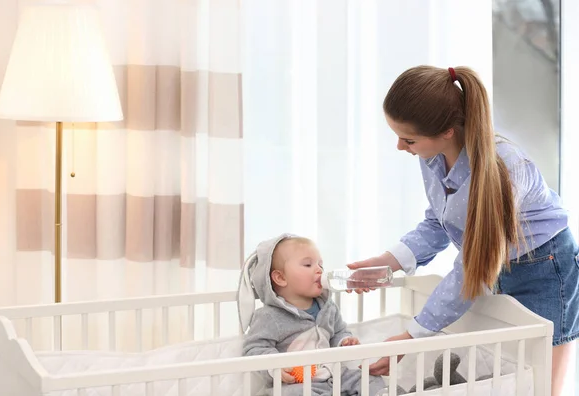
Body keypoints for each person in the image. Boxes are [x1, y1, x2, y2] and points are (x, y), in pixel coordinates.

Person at [347, 65, 579, 396]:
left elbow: (473, 266)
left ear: (447, 132)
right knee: (505, 373)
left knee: (539, 382)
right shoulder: (432, 157)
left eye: (408, 139)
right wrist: (389, 261)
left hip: (545, 265)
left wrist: (413, 336)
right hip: (498, 264)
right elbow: (438, 222)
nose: (400, 147)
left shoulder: (502, 171)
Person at [241, 234, 398, 396]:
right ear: (280, 278)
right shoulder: (269, 316)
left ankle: (385, 393)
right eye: (308, 264)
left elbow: (338, 332)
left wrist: (344, 340)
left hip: (333, 373)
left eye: (320, 265)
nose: (319, 270)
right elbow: (254, 348)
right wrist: (275, 367)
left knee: (366, 377)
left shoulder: (328, 308)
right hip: (297, 383)